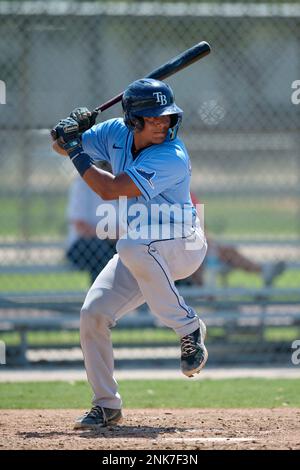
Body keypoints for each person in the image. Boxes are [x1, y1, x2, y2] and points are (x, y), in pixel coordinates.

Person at [52, 78, 208, 430]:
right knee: (93, 313)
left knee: (130, 243)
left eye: (166, 117)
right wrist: (66, 131)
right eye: (153, 119)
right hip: (144, 249)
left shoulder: (172, 154)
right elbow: (61, 145)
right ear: (132, 121)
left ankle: (189, 328)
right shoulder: (112, 132)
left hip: (183, 243)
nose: (162, 124)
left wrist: (76, 148)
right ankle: (106, 405)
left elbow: (110, 189)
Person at [180, 192, 286, 288]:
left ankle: (264, 271)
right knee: (200, 255)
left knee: (228, 251)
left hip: (198, 247)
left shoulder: (189, 196)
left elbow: (202, 228)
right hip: (183, 250)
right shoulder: (173, 197)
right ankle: (208, 296)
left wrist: (207, 243)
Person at [66, 167, 117, 285]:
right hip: (84, 243)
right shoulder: (83, 182)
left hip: (116, 242)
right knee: (101, 251)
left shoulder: (124, 182)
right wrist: (110, 233)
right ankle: (101, 298)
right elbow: (80, 226)